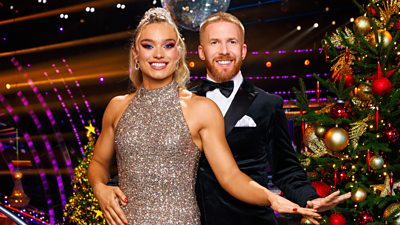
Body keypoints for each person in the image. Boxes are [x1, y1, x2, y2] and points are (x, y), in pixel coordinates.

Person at [88, 7, 322, 225]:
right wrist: (100, 187)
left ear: (179, 53)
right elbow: (99, 163)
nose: (158, 54)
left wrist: (271, 198)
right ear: (136, 54)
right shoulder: (117, 107)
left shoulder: (202, 108)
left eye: (168, 45)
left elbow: (230, 175)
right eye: (148, 46)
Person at [191, 12, 351, 225]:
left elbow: (285, 167)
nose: (224, 51)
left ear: (243, 50)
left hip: (252, 220)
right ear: (202, 52)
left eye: (232, 42)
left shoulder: (267, 104)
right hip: (197, 219)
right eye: (214, 42)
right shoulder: (185, 103)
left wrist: (309, 198)